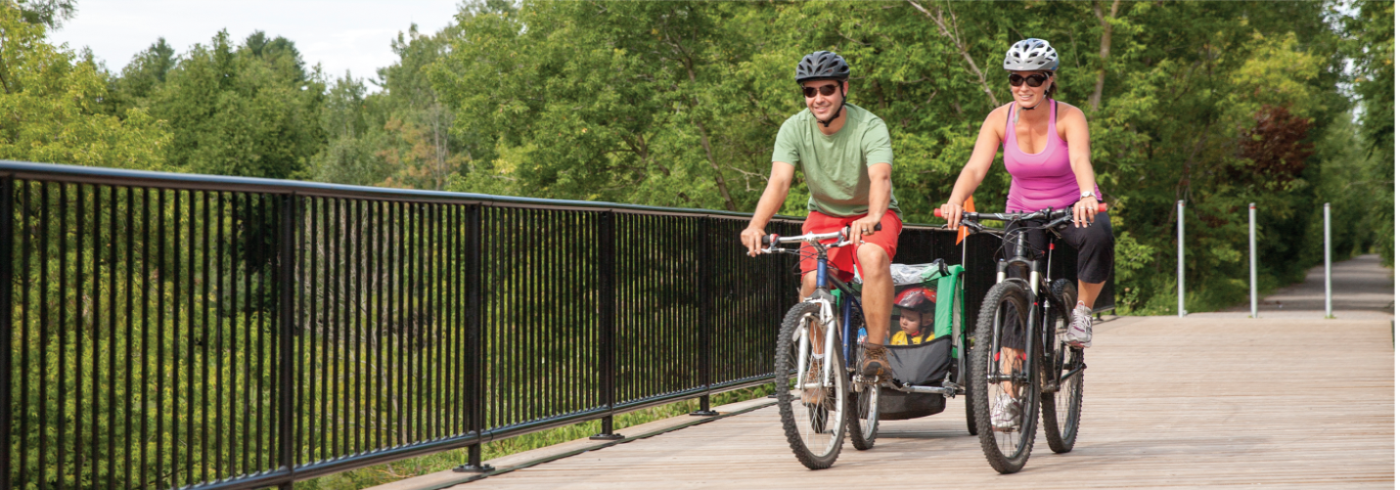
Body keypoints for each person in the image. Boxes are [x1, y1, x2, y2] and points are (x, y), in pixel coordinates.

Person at [937, 39, 1114, 431]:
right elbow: (975, 167)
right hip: (1023, 209)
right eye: (1017, 78)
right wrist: (955, 199)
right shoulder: (999, 118)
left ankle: (1081, 313)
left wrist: (1087, 195)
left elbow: (1081, 158)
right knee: (1015, 289)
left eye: (1034, 78)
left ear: (1049, 80)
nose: (1024, 86)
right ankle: (1010, 398)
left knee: (1099, 235)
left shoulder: (1069, 116)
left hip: (1071, 204)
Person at [741, 50, 903, 388]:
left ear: (844, 89)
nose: (818, 98)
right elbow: (780, 181)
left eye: (826, 89)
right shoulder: (794, 128)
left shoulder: (869, 126)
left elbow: (880, 178)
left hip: (873, 213)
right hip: (824, 216)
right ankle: (819, 363)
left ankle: (875, 351)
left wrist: (873, 216)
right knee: (813, 286)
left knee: (872, 256)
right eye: (809, 91)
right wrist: (756, 224)